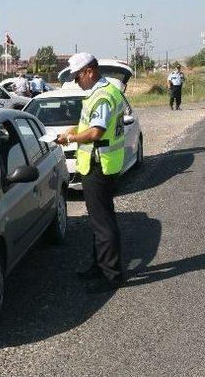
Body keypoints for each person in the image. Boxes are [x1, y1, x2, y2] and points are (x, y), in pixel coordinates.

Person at [55, 52, 126, 294]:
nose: (76, 81)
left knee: (103, 223)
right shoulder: (100, 93)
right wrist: (73, 129)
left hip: (99, 166)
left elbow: (96, 132)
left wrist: (71, 138)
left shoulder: (103, 96)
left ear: (89, 71)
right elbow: (89, 125)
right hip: (98, 164)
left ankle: (111, 275)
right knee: (100, 220)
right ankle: (99, 265)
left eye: (77, 76)